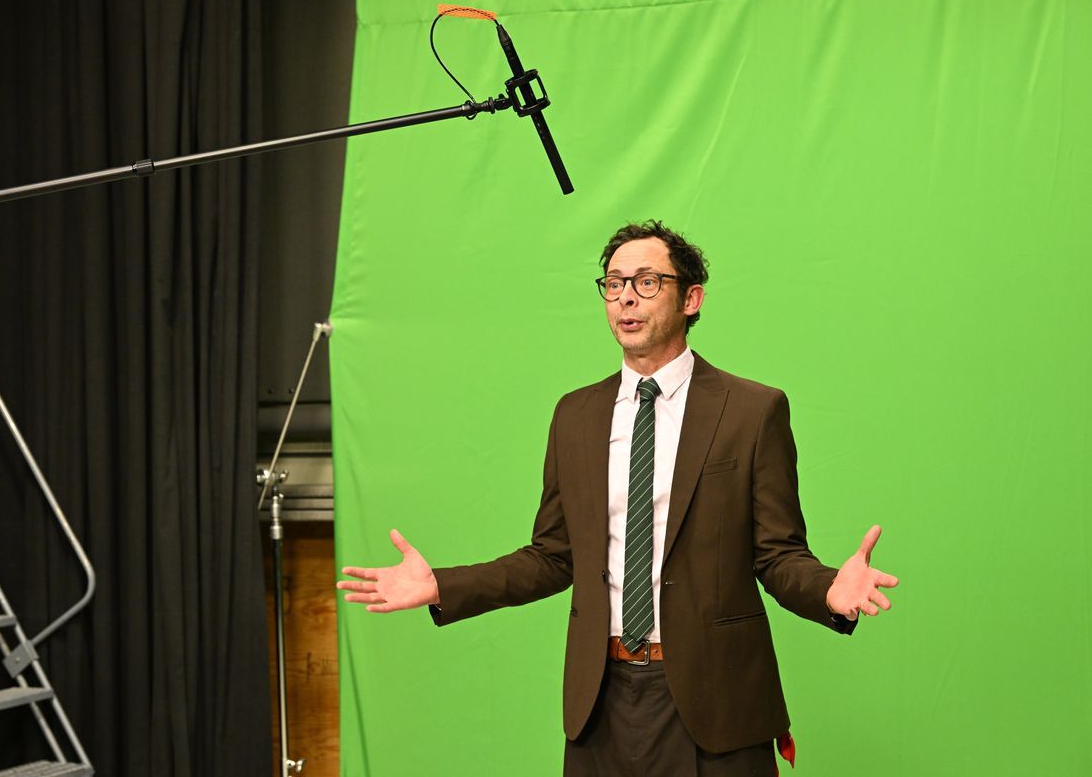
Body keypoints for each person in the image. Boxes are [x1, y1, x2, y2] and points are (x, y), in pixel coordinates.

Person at [337, 220, 898, 776]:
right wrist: (443, 585)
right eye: (613, 283)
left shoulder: (752, 411)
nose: (626, 297)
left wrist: (829, 590)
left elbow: (777, 555)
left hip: (717, 702)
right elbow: (552, 557)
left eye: (647, 282)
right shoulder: (575, 415)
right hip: (599, 703)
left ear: (691, 299)